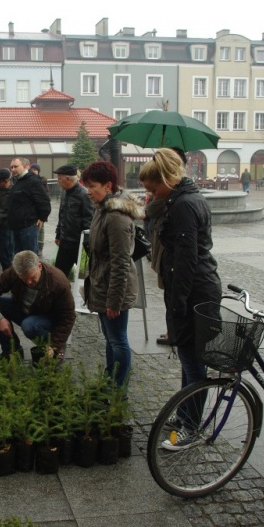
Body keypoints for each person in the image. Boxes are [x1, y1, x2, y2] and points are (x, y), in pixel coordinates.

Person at [139, 148, 222, 391]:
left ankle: (191, 425)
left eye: (154, 190)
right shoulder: (184, 198)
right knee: (189, 361)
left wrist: (178, 304)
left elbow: (186, 260)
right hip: (196, 288)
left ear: (167, 178)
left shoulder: (183, 205)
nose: (152, 195)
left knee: (192, 363)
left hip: (194, 291)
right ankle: (187, 416)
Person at [81, 161, 140, 392]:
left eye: (92, 186)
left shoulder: (115, 216)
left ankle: (118, 390)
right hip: (101, 284)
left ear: (108, 186)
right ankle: (110, 381)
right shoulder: (101, 208)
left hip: (113, 289)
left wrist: (114, 301)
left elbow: (121, 262)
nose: (88, 191)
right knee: (110, 338)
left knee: (118, 340)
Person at [0, 250, 75, 362]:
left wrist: (55, 345)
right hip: (26, 309)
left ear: (39, 266)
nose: (29, 282)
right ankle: (11, 351)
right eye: (24, 279)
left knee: (29, 326)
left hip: (48, 317)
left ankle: (54, 350)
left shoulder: (58, 281)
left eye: (32, 277)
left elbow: (68, 316)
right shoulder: (14, 272)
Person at [53, 164, 94, 280]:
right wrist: (58, 234)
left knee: (83, 277)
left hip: (80, 245)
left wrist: (87, 244)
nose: (58, 180)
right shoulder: (65, 193)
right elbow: (61, 216)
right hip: (65, 243)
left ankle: (83, 298)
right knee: (58, 276)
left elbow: (88, 220)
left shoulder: (85, 194)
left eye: (59, 177)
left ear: (68, 178)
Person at [7, 157, 51, 255]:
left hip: (27, 227)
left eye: (15, 166)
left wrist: (42, 218)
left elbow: (44, 202)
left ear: (25, 166)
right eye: (11, 167)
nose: (13, 169)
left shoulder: (33, 181)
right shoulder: (17, 181)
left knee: (29, 257)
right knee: (19, 258)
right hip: (16, 227)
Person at [30, 163, 49, 254]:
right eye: (32, 169)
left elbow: (45, 197)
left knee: (41, 228)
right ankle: (35, 247)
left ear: (38, 171)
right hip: (33, 210)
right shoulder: (30, 181)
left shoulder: (42, 182)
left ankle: (40, 247)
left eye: (35, 170)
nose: (33, 171)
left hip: (41, 210)